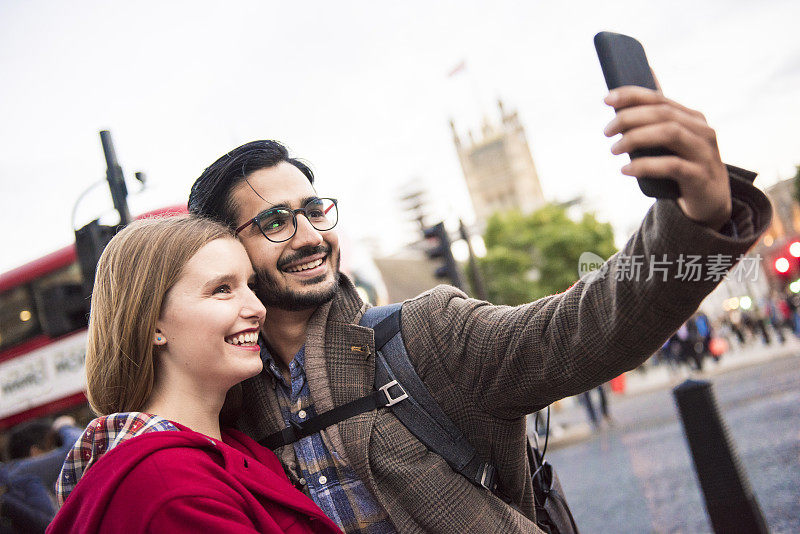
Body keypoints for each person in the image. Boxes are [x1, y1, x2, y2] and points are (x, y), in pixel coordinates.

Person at [187, 86, 772, 532]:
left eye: (315, 210)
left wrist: (698, 213)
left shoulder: (425, 334)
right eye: (275, 221)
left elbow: (584, 327)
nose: (311, 234)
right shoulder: (227, 401)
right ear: (224, 249)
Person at [48, 216, 340, 534]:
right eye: (222, 289)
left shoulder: (231, 448)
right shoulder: (170, 485)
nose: (257, 307)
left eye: (251, 286)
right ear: (153, 324)